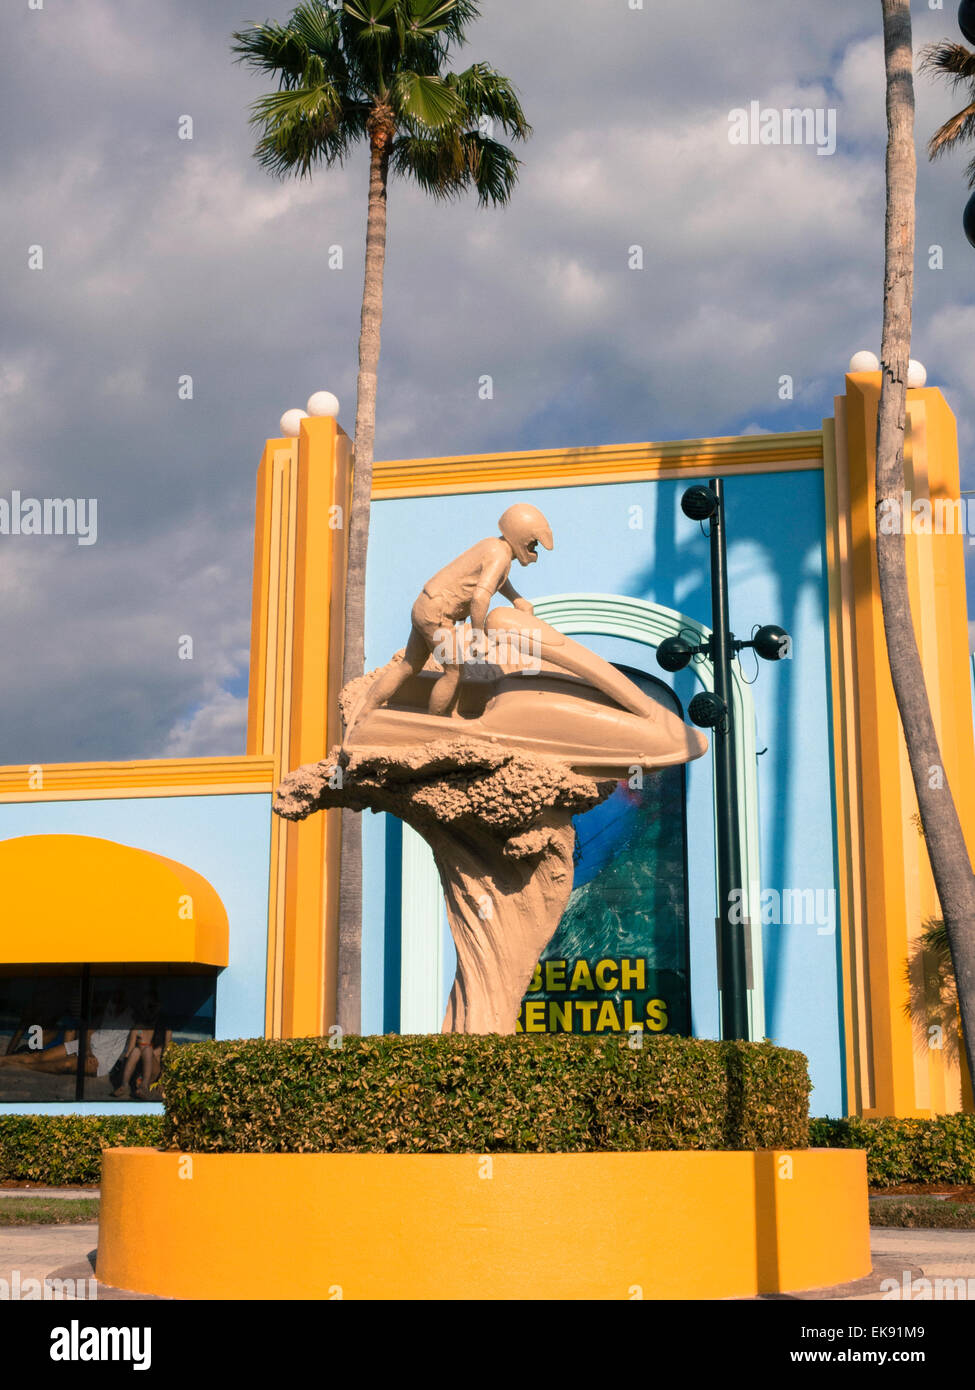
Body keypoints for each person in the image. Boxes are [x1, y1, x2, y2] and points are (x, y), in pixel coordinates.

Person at [343, 502, 554, 746]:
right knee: (454, 671)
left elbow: (495, 581)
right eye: (533, 543)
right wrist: (478, 637)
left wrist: (517, 599)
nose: (535, 549)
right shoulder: (500, 555)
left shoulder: (494, 547)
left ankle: (366, 711)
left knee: (409, 665)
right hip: (437, 615)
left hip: (425, 604)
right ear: (521, 536)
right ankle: (432, 728)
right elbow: (480, 597)